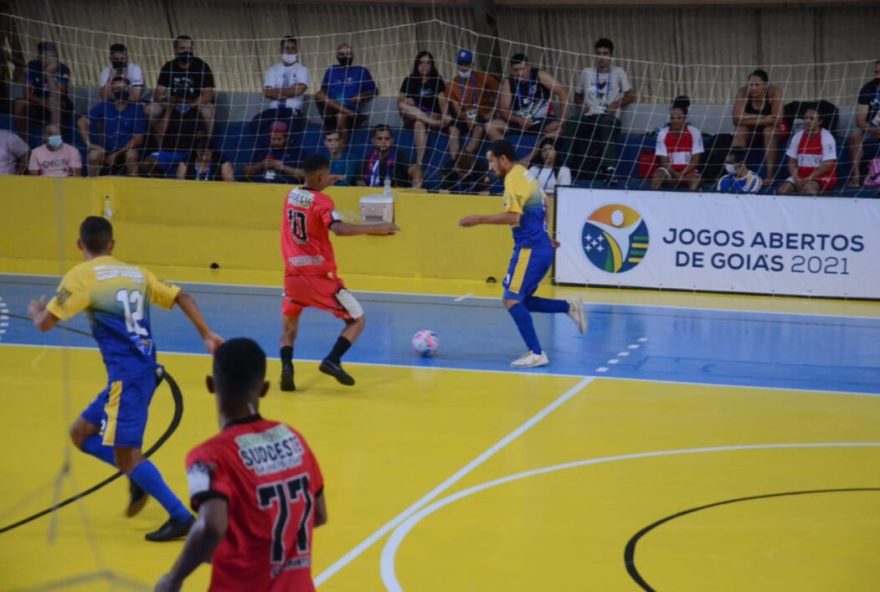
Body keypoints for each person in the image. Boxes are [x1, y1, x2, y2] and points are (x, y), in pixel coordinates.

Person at [27, 216, 223, 542]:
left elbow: (45, 324)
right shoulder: (135, 273)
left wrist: (36, 310)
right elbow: (183, 297)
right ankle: (135, 473)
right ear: (112, 244)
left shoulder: (81, 276)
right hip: (138, 371)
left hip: (127, 378)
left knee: (127, 454)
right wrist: (207, 335)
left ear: (80, 245)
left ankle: (180, 516)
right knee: (80, 434)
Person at [154, 338, 326, 592]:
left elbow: (211, 526)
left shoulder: (209, 456)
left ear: (210, 385)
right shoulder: (293, 439)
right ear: (265, 389)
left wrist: (174, 578)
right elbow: (319, 515)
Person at [458, 140, 586, 369]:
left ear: (503, 159)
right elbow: (546, 201)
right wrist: (546, 234)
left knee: (511, 299)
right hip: (540, 247)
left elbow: (513, 217)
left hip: (530, 250)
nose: (490, 167)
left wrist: (479, 219)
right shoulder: (525, 174)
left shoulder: (513, 180)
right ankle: (568, 307)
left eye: (491, 161)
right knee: (522, 300)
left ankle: (537, 353)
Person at [279, 154, 400, 391]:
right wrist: (376, 227)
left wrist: (321, 182)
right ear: (321, 176)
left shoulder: (291, 195)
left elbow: (308, 196)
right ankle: (332, 360)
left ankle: (286, 368)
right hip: (318, 276)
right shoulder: (323, 201)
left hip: (292, 275)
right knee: (357, 319)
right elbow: (339, 229)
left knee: (289, 326)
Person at [571, 38, 635, 184]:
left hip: (608, 117)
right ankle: (567, 166)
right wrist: (580, 104)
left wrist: (616, 103)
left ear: (611, 56)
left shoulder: (618, 72)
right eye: (598, 53)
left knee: (606, 124)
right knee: (572, 122)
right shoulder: (587, 72)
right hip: (590, 115)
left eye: (605, 53)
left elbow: (631, 96)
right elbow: (577, 94)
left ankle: (609, 169)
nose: (601, 57)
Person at [486, 53, 569, 163]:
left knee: (560, 129)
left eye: (522, 69)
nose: (520, 73)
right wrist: (519, 120)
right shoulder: (509, 82)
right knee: (489, 126)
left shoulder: (539, 75)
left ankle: (527, 160)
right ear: (511, 70)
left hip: (541, 119)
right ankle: (508, 160)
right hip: (519, 120)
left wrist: (561, 121)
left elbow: (563, 91)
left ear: (529, 66)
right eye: (516, 70)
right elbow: (503, 111)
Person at [145, 35, 216, 141]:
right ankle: (159, 145)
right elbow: (158, 93)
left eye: (190, 49)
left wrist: (190, 105)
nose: (187, 52)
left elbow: (208, 94)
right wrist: (169, 103)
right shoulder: (169, 66)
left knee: (208, 111)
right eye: (183, 48)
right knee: (150, 109)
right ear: (175, 50)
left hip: (196, 102)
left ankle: (208, 144)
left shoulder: (202, 66)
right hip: (174, 102)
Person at [77, 76, 146, 177]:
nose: (121, 91)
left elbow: (138, 139)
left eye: (124, 88)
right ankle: (92, 186)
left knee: (132, 155)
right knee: (93, 156)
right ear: (112, 91)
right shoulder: (105, 105)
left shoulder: (137, 109)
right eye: (117, 89)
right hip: (107, 150)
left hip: (126, 150)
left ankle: (134, 187)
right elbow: (81, 122)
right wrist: (89, 143)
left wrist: (117, 154)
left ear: (129, 89)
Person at [314, 43, 378, 144]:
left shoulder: (361, 71)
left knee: (340, 116)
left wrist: (362, 95)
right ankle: (349, 112)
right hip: (331, 112)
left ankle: (342, 149)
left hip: (348, 116)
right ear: (337, 56)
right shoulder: (331, 71)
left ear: (352, 55)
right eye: (341, 54)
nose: (345, 57)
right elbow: (323, 91)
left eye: (348, 54)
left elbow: (374, 91)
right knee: (318, 94)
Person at [398, 50, 452, 169]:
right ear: (417, 64)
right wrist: (409, 101)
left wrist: (445, 115)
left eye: (428, 63)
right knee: (405, 104)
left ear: (432, 66)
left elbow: (442, 99)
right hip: (413, 117)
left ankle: (419, 164)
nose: (424, 66)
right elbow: (400, 102)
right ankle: (435, 123)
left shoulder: (436, 79)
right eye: (421, 63)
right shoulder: (409, 79)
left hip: (432, 114)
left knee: (419, 123)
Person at [14, 41, 74, 144]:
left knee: (56, 106)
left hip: (58, 102)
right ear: (39, 56)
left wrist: (48, 75)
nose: (46, 59)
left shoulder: (63, 69)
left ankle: (57, 143)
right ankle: (23, 141)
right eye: (43, 56)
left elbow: (59, 94)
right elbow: (26, 93)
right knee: (20, 103)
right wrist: (43, 102)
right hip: (39, 101)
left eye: (50, 56)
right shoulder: (32, 66)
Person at [732, 69, 784, 186]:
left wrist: (747, 117)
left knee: (769, 130)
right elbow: (736, 119)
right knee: (740, 129)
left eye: (757, 85)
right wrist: (764, 118)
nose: (753, 88)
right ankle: (740, 171)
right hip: (751, 131)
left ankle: (769, 176)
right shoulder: (743, 92)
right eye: (751, 84)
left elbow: (777, 119)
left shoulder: (774, 92)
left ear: (765, 86)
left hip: (769, 131)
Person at [446, 49, 499, 161]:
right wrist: (467, 118)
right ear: (457, 65)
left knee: (478, 129)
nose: (464, 67)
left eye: (467, 64)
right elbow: (457, 110)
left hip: (482, 114)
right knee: (452, 130)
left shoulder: (483, 77)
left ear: (472, 65)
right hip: (464, 115)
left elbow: (501, 93)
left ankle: (465, 158)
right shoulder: (451, 84)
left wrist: (492, 112)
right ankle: (455, 161)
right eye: (461, 64)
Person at [253, 35, 310, 139]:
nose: (289, 51)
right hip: (274, 110)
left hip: (292, 110)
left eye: (293, 48)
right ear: (280, 50)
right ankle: (268, 152)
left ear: (296, 50)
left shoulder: (302, 70)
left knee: (292, 128)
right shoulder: (273, 69)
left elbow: (299, 90)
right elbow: (268, 92)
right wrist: (290, 90)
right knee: (256, 123)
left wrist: (277, 91)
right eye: (286, 48)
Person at [779, 106, 837, 195]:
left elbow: (827, 166)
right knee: (783, 190)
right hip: (801, 175)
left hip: (821, 176)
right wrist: (796, 178)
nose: (807, 121)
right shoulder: (797, 136)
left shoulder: (827, 137)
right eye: (805, 118)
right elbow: (791, 163)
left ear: (820, 121)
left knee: (810, 190)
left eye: (811, 118)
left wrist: (809, 177)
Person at [651, 96, 704, 191]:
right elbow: (664, 162)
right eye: (672, 118)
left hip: (688, 171)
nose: (675, 121)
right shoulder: (663, 133)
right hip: (670, 171)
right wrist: (676, 174)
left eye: (679, 118)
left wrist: (682, 174)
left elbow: (695, 160)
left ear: (685, 118)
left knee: (695, 181)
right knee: (657, 177)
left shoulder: (695, 132)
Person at [846, 60, 880, 188]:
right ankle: (855, 177)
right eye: (876, 72)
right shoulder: (868, 88)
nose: (877, 75)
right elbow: (859, 120)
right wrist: (872, 130)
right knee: (855, 137)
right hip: (872, 129)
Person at [356, 124, 421, 188]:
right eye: (379, 138)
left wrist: (416, 182)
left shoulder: (399, 155)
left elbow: (415, 169)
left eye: (387, 139)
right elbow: (359, 181)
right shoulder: (367, 160)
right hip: (373, 196)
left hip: (396, 195)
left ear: (392, 141)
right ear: (373, 141)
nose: (383, 141)